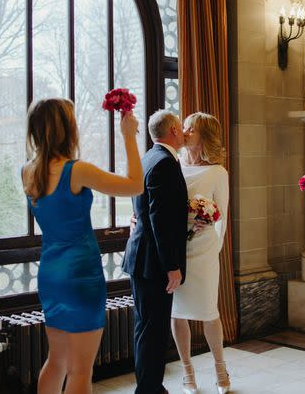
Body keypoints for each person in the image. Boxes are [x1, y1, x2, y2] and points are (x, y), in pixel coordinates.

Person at [21, 98, 142, 394]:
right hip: (80, 275)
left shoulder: (28, 171)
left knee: (56, 361)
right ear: (66, 129)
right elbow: (135, 184)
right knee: (80, 371)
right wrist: (128, 136)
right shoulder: (76, 170)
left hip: (50, 273)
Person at [123, 109, 189, 394]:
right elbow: (159, 220)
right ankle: (149, 390)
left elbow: (144, 207)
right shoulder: (163, 163)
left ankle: (150, 387)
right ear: (173, 130)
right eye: (181, 126)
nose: (185, 132)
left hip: (142, 258)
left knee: (146, 328)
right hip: (153, 263)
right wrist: (171, 265)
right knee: (154, 331)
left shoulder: (149, 158)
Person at [170, 113, 230, 394]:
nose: (184, 132)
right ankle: (187, 372)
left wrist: (210, 243)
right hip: (176, 250)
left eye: (191, 129)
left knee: (208, 311)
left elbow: (222, 217)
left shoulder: (217, 172)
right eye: (184, 127)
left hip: (204, 252)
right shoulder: (173, 165)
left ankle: (220, 368)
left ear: (203, 136)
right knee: (177, 313)